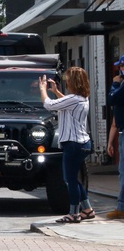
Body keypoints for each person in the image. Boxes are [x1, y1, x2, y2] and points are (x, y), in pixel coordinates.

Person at [41, 67, 93, 222]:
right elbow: (66, 104)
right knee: (73, 179)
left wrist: (43, 89)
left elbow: (49, 105)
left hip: (73, 144)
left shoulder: (73, 99)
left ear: (74, 81)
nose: (66, 81)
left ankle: (74, 213)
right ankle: (88, 209)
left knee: (69, 180)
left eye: (68, 79)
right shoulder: (82, 98)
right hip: (82, 143)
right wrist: (56, 91)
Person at [106, 58, 124, 219]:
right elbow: (115, 119)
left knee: (123, 172)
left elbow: (111, 99)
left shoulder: (121, 86)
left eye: (123, 66)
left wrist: (115, 84)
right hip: (121, 132)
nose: (121, 70)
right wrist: (111, 141)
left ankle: (121, 207)